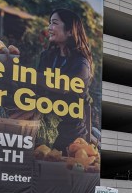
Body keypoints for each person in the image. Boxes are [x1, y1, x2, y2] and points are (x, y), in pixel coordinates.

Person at [37, 8, 95, 149]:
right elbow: (37, 88)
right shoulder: (47, 56)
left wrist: (23, 73)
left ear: (70, 31)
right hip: (44, 129)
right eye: (49, 23)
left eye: (54, 23)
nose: (49, 28)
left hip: (71, 137)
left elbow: (64, 86)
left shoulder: (81, 63)